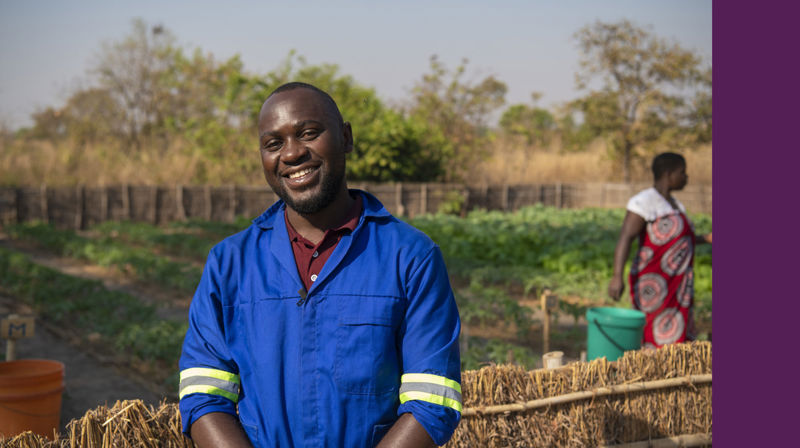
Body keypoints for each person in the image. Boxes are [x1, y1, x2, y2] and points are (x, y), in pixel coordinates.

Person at [178, 82, 462, 448]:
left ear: (345, 137)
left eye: (309, 133)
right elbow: (203, 395)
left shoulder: (410, 257)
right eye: (274, 143)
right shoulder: (228, 264)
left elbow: (432, 399)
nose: (292, 153)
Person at [608, 152, 711, 349]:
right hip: (654, 284)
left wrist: (705, 238)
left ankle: (677, 377)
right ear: (668, 173)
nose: (686, 177)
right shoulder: (644, 202)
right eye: (683, 172)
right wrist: (616, 276)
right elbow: (625, 238)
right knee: (652, 332)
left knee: (678, 338)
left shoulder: (675, 205)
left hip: (678, 286)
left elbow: (680, 239)